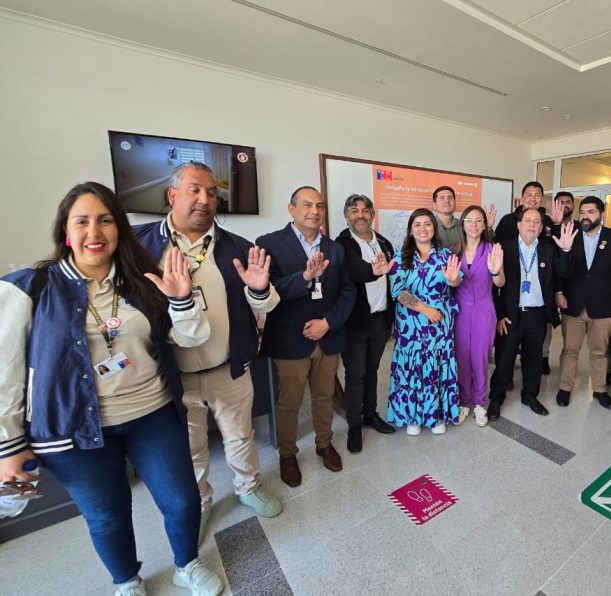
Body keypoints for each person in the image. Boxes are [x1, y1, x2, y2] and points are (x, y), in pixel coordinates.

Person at [0, 182, 223, 595]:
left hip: (152, 416)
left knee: (182, 500)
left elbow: (188, 338)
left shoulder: (143, 281)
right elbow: (6, 373)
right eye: (81, 221)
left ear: (119, 229)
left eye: (105, 220)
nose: (94, 232)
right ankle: (127, 581)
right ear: (65, 232)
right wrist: (8, 445)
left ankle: (186, 564)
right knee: (107, 516)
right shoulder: (32, 287)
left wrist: (181, 299)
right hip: (75, 433)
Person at [135, 162, 282, 545]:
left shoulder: (239, 247)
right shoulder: (140, 246)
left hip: (229, 369)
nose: (205, 200)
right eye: (195, 190)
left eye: (212, 193)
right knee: (191, 448)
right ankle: (201, 502)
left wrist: (260, 291)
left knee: (240, 436)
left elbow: (264, 305)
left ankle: (248, 487)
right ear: (172, 195)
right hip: (173, 377)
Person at [256, 186, 356, 487]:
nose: (314, 211)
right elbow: (266, 291)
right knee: (290, 402)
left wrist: (327, 322)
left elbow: (348, 292)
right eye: (307, 205)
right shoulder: (269, 244)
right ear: (291, 209)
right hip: (290, 340)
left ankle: (324, 445)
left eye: (319, 205)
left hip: (327, 337)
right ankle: (288, 454)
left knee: (324, 396)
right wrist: (304, 278)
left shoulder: (335, 248)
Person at [554, 196, 611, 409]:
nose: (585, 216)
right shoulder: (570, 236)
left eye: (591, 212)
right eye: (582, 212)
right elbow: (560, 271)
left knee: (599, 351)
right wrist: (564, 253)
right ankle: (565, 388)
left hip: (603, 306)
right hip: (572, 304)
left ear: (602, 215)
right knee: (569, 350)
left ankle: (601, 390)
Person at [487, 210, 576, 421]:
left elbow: (563, 273)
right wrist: (499, 314)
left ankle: (530, 396)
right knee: (504, 360)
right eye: (528, 221)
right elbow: (492, 287)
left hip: (537, 314)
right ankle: (496, 399)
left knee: (533, 360)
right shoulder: (504, 248)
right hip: (510, 315)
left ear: (541, 227)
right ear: (518, 225)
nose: (532, 225)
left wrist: (565, 250)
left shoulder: (548, 248)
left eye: (537, 222)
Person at [388, 208, 462, 435]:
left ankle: (436, 415)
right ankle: (413, 416)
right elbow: (398, 291)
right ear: (411, 230)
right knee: (412, 368)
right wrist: (425, 309)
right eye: (417, 224)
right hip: (411, 325)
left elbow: (457, 281)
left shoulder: (446, 255)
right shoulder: (399, 258)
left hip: (439, 325)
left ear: (434, 228)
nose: (423, 229)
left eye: (427, 224)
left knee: (437, 367)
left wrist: (453, 280)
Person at [335, 194, 396, 453]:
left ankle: (370, 415)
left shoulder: (383, 242)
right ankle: (354, 426)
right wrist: (376, 270)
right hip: (355, 323)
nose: (360, 215)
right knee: (355, 374)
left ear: (372, 214)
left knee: (372, 370)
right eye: (354, 210)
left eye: (365, 210)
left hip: (380, 319)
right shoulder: (342, 244)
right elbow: (356, 271)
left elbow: (394, 280)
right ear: (347, 216)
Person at [454, 205, 505, 427]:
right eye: (469, 220)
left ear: (484, 224)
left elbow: (500, 282)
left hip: (484, 310)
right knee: (462, 358)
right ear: (462, 224)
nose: (473, 224)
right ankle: (464, 402)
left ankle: (478, 403)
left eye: (478, 220)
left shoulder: (492, 248)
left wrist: (495, 270)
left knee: (480, 358)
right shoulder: (452, 250)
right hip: (459, 311)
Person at [542, 191, 576, 375]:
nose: (564, 205)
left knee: (571, 333)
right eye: (560, 202)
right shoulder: (546, 224)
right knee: (547, 320)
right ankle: (544, 356)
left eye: (568, 202)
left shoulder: (579, 227)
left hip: (573, 282)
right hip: (550, 281)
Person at [493, 181, 562, 244]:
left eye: (537, 195)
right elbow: (496, 243)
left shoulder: (547, 220)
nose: (533, 199)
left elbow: (555, 245)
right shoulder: (507, 220)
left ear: (541, 199)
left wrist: (557, 224)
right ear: (522, 198)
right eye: (529, 195)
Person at [432, 185, 462, 253]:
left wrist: (488, 228)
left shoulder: (464, 225)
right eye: (442, 198)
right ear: (434, 204)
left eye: (450, 198)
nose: (447, 201)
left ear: (455, 203)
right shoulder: (427, 226)